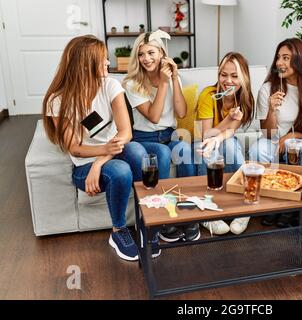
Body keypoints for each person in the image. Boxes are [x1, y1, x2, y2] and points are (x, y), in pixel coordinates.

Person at [42, 35, 151, 261]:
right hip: (84, 166)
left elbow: (126, 133)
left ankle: (147, 222)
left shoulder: (110, 85)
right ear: (84, 64)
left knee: (140, 154)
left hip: (109, 153)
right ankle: (119, 231)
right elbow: (75, 148)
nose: (107, 64)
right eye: (102, 60)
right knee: (120, 169)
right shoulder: (58, 100)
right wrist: (98, 161)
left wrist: (100, 162)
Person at [123, 30, 198, 243]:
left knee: (184, 150)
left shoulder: (173, 78)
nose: (146, 59)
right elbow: (154, 117)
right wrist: (164, 83)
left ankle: (190, 213)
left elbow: (181, 113)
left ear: (162, 53)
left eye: (151, 52)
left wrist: (174, 79)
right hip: (144, 138)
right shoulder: (132, 84)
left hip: (170, 134)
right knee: (163, 153)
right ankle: (162, 218)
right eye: (141, 54)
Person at [248, 38, 302, 228]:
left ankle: (290, 207)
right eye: (278, 58)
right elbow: (267, 133)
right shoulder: (268, 89)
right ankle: (270, 204)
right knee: (258, 149)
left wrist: (291, 136)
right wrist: (272, 110)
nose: (279, 63)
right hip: (273, 138)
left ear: (299, 60)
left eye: (286, 58)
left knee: (295, 148)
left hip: (301, 139)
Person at [196, 52, 254, 236]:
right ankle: (206, 210)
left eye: (234, 76)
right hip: (203, 138)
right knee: (207, 152)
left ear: (244, 77)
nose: (228, 80)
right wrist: (227, 119)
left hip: (223, 138)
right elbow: (206, 134)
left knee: (230, 146)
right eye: (223, 74)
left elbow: (230, 132)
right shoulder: (208, 95)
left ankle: (247, 205)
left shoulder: (244, 99)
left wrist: (217, 140)